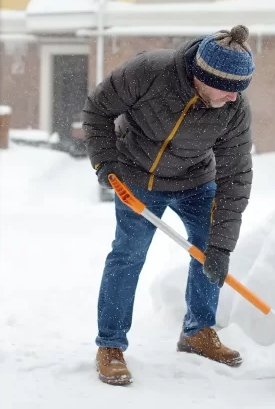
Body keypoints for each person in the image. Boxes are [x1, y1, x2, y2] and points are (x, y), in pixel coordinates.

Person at [82, 25, 256, 386]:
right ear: (202, 78)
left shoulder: (234, 109)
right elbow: (98, 110)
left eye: (241, 90)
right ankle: (110, 346)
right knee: (128, 254)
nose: (235, 99)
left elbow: (235, 176)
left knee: (209, 251)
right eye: (229, 90)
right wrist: (105, 161)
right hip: (137, 177)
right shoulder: (149, 72)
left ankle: (198, 332)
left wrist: (221, 247)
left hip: (195, 180)